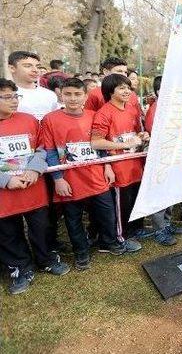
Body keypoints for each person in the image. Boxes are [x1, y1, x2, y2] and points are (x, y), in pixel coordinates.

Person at [40, 78, 132, 269]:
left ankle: (109, 242)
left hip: (97, 175)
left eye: (77, 94)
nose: (73, 99)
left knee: (107, 213)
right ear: (61, 95)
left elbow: (102, 143)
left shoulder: (93, 115)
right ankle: (81, 252)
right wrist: (58, 179)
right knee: (73, 220)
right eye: (68, 94)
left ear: (85, 96)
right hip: (70, 179)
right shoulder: (50, 119)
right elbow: (49, 151)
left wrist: (107, 166)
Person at [0, 78, 70, 295]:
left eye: (15, 96)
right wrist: (5, 180)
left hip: (34, 188)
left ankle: (46, 258)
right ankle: (19, 268)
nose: (14, 101)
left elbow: (41, 148)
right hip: (4, 195)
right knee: (8, 234)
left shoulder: (29, 120)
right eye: (7, 97)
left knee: (42, 227)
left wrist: (34, 170)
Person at [90, 74, 148, 250]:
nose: (127, 91)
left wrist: (142, 136)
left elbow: (135, 134)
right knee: (120, 205)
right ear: (110, 91)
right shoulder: (104, 113)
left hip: (134, 165)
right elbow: (96, 142)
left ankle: (131, 231)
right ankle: (119, 237)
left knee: (132, 200)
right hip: (118, 168)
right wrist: (122, 145)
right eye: (121, 88)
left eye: (128, 87)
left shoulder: (132, 109)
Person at [144, 76, 182, 246]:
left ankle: (166, 224)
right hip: (161, 158)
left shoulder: (170, 107)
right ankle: (159, 229)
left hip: (172, 155)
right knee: (160, 195)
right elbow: (157, 133)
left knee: (169, 193)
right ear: (160, 91)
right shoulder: (156, 109)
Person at [7, 51, 58, 121]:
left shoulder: (50, 95)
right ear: (12, 68)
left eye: (38, 67)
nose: (35, 70)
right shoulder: (4, 96)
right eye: (28, 66)